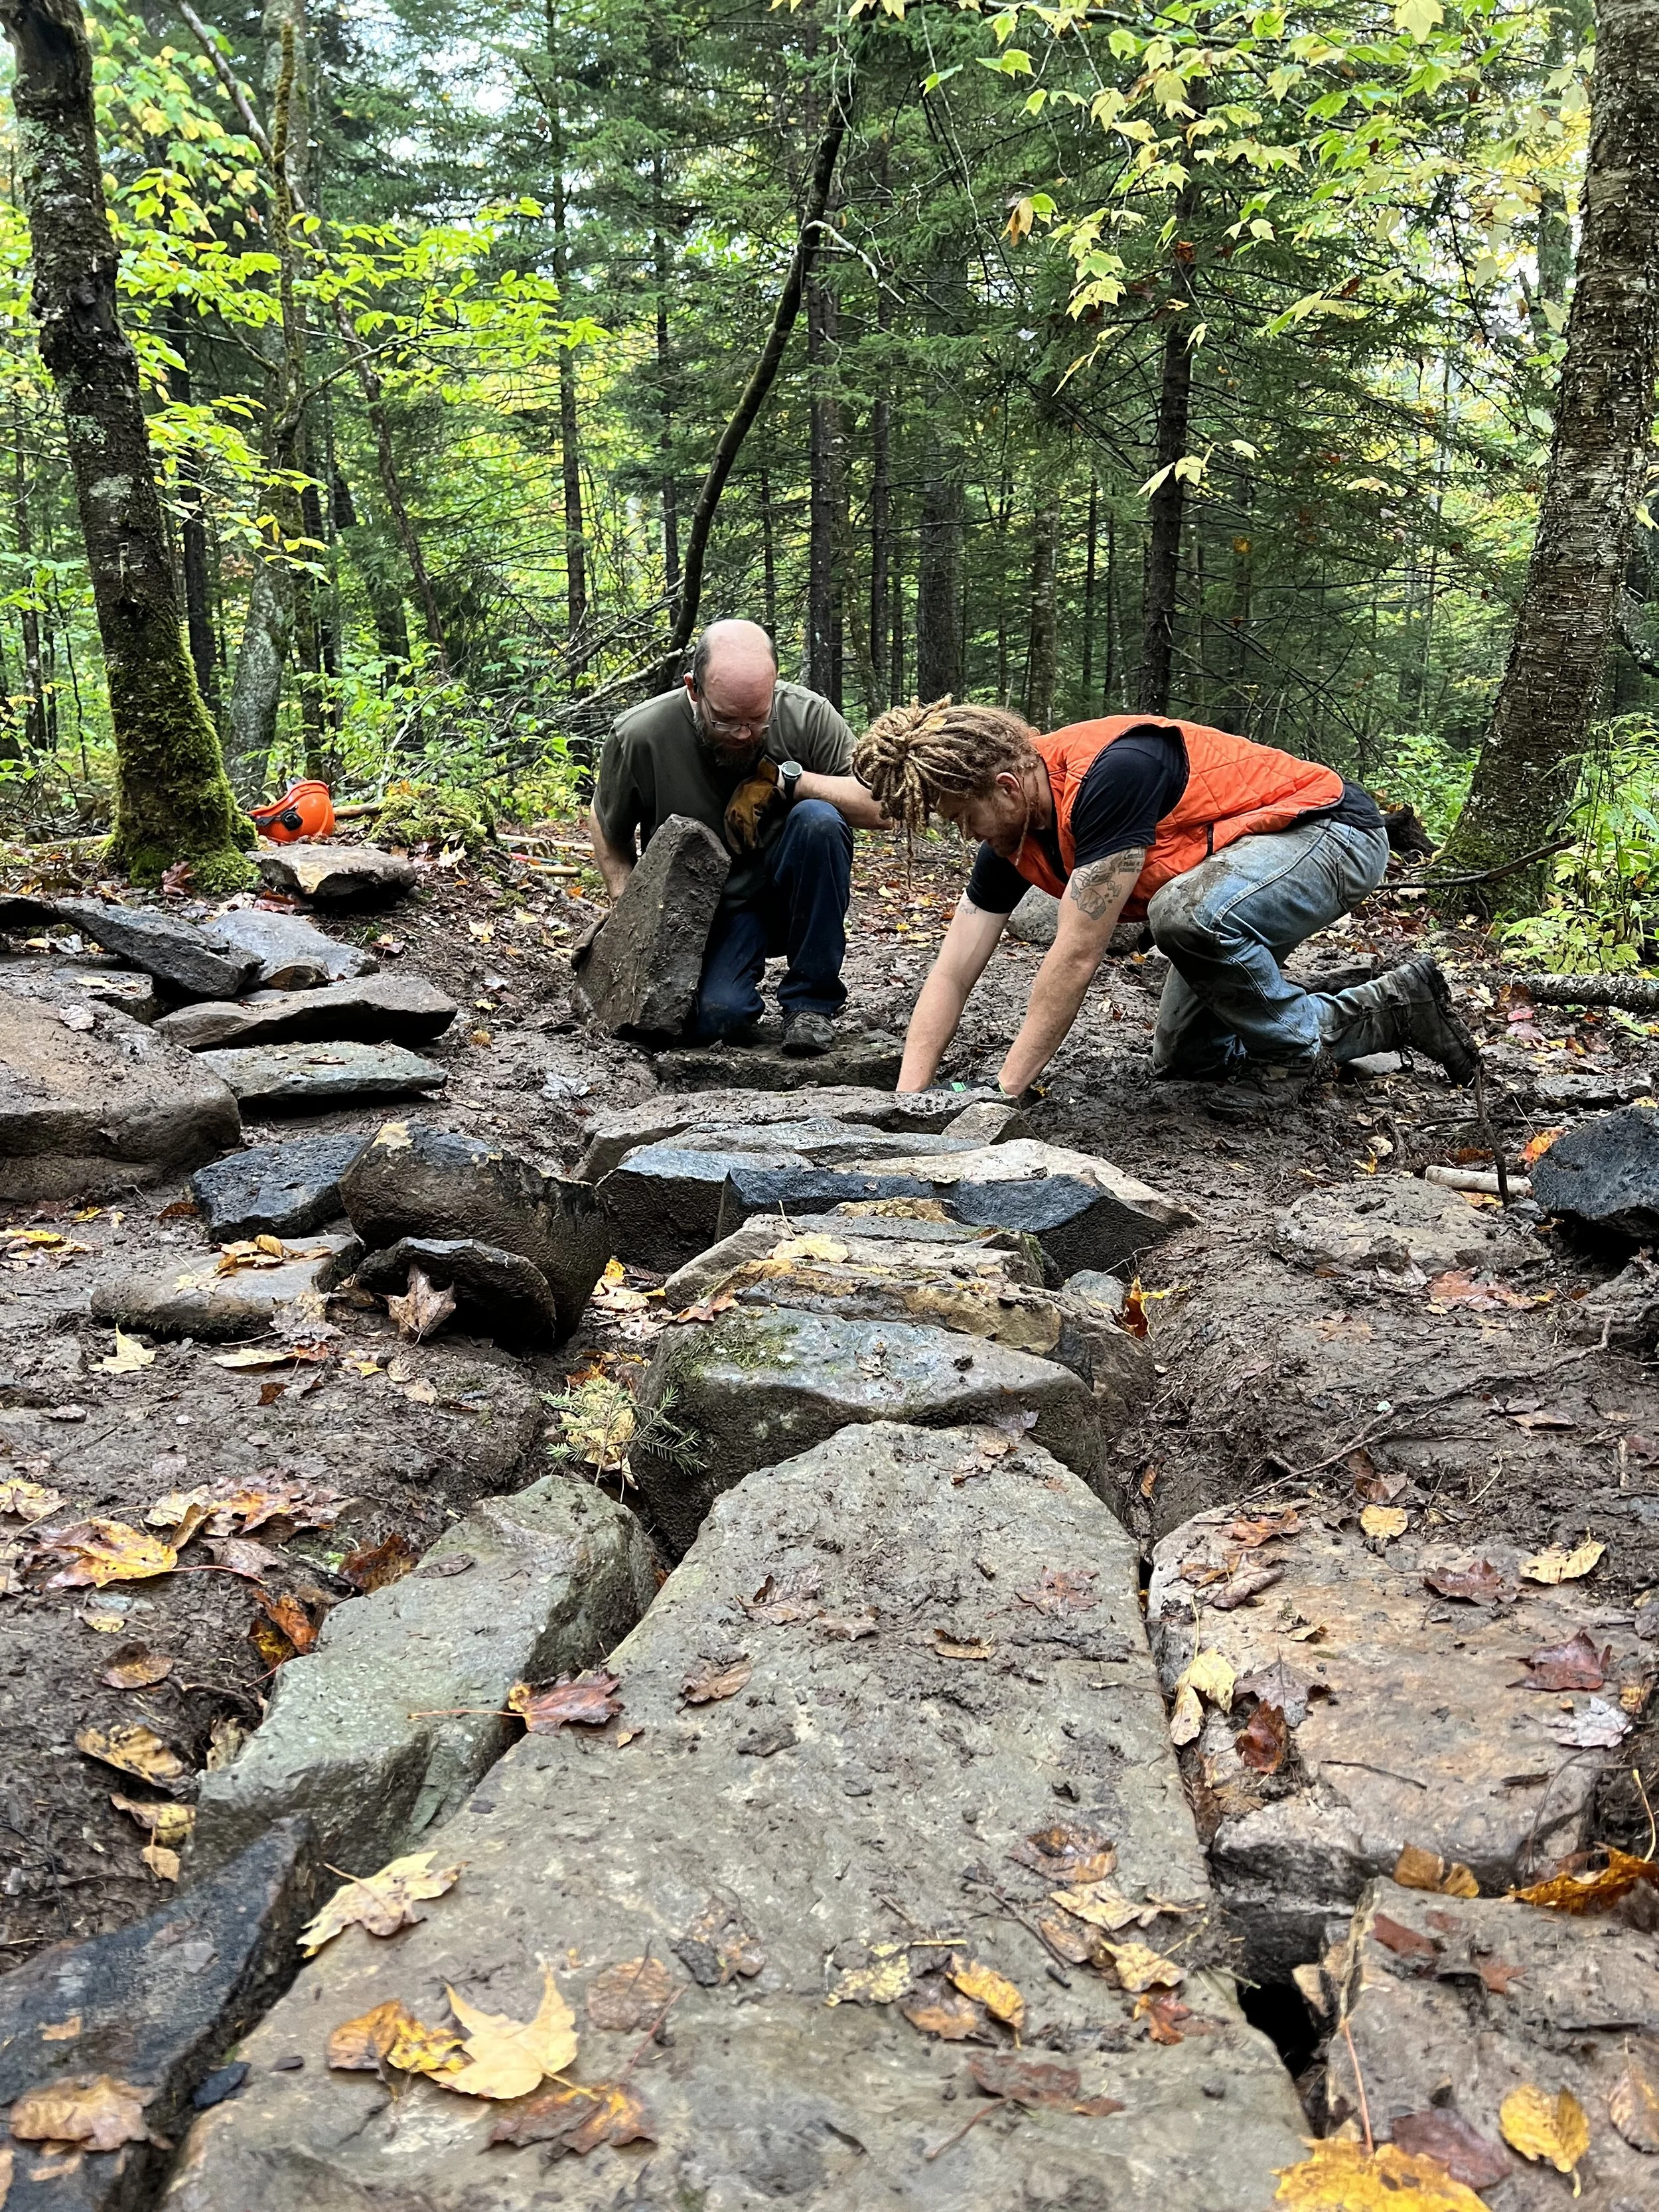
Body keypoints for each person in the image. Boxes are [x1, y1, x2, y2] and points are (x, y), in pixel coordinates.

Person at [853, 699, 1479, 1098]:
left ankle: (1294, 1043)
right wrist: (912, 1099)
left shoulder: (1111, 774)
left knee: (1183, 914)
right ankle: (1395, 1006)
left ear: (1008, 786)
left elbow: (1076, 954)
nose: (965, 834)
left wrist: (1004, 1093)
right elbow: (952, 970)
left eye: (964, 816)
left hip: (1332, 833)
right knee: (1190, 1060)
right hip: (1247, 873)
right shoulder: (1013, 840)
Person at [588, 619, 887, 1053]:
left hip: (795, 894)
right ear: (694, 689)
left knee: (819, 820)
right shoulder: (641, 735)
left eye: (758, 719)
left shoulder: (807, 715)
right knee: (719, 1017)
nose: (744, 734)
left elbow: (882, 807)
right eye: (726, 721)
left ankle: (810, 1003)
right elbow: (605, 823)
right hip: (715, 915)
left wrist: (789, 781)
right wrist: (625, 901)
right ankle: (730, 991)